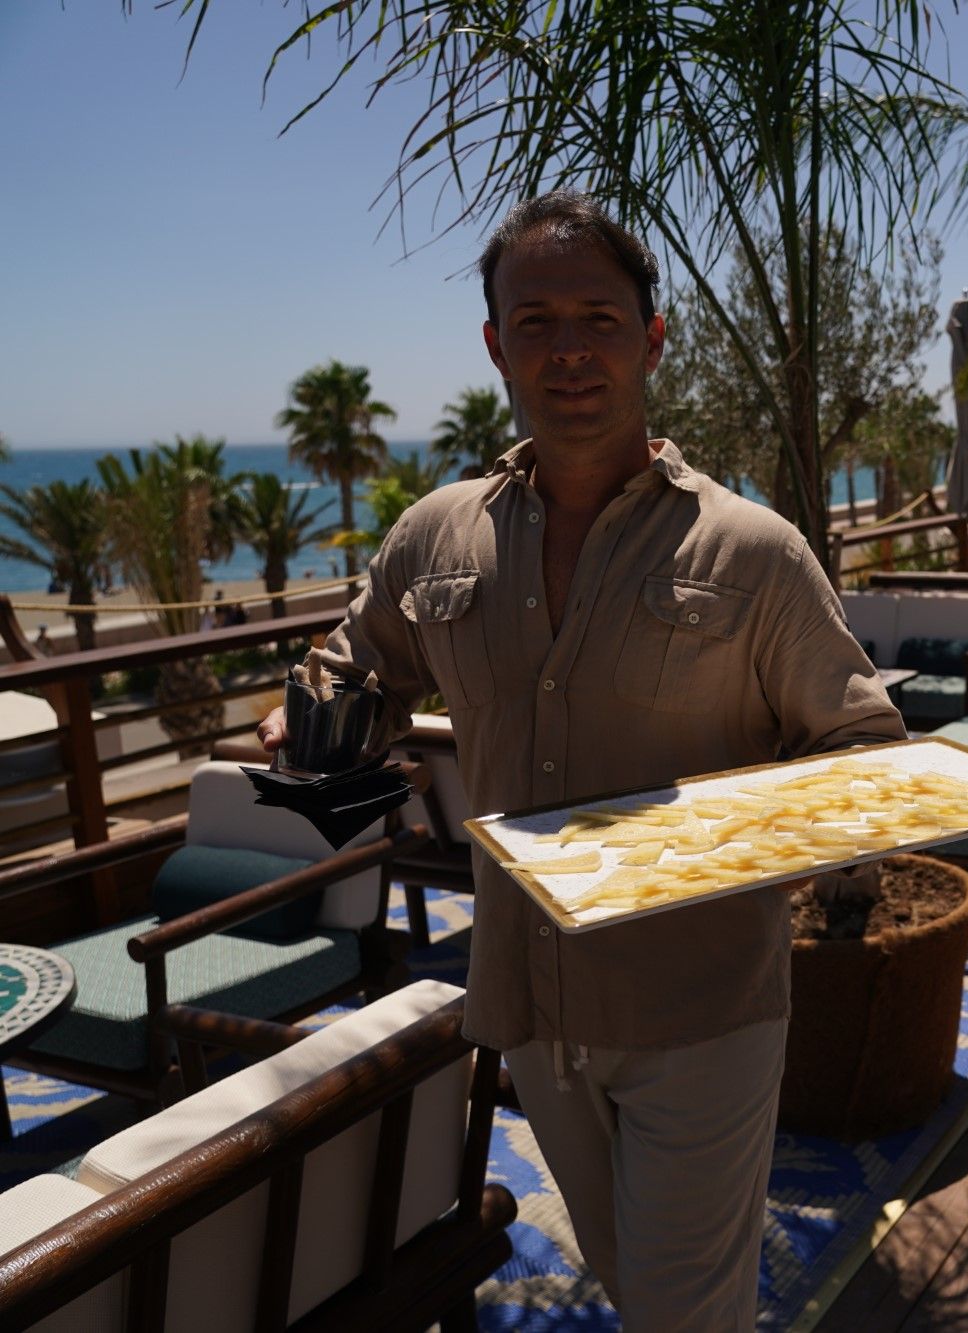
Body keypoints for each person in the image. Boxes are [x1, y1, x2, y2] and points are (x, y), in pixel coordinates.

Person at [255, 191, 903, 1330]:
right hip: (528, 998)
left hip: (699, 1004)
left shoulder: (752, 553)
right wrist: (305, 713)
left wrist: (693, 844)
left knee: (678, 1312)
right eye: (537, 320)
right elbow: (355, 665)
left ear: (652, 340)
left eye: (599, 320)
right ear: (497, 345)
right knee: (625, 1275)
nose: (568, 351)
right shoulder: (434, 535)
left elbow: (862, 756)